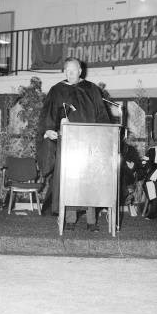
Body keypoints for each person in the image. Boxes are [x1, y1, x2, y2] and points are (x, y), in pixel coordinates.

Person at [37, 57, 110, 231]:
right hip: (67, 142)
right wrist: (49, 130)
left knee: (89, 180)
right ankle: (70, 219)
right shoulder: (57, 90)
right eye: (67, 70)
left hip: (89, 143)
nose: (70, 74)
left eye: (73, 70)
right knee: (68, 180)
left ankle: (91, 221)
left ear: (80, 71)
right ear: (64, 71)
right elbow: (48, 114)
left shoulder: (92, 90)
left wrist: (103, 136)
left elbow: (101, 115)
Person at [120, 131, 144, 214]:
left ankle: (127, 196)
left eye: (131, 140)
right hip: (118, 174)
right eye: (127, 139)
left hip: (128, 175)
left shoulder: (132, 150)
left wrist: (133, 167)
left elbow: (138, 165)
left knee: (122, 176)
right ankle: (127, 196)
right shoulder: (118, 148)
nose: (129, 141)